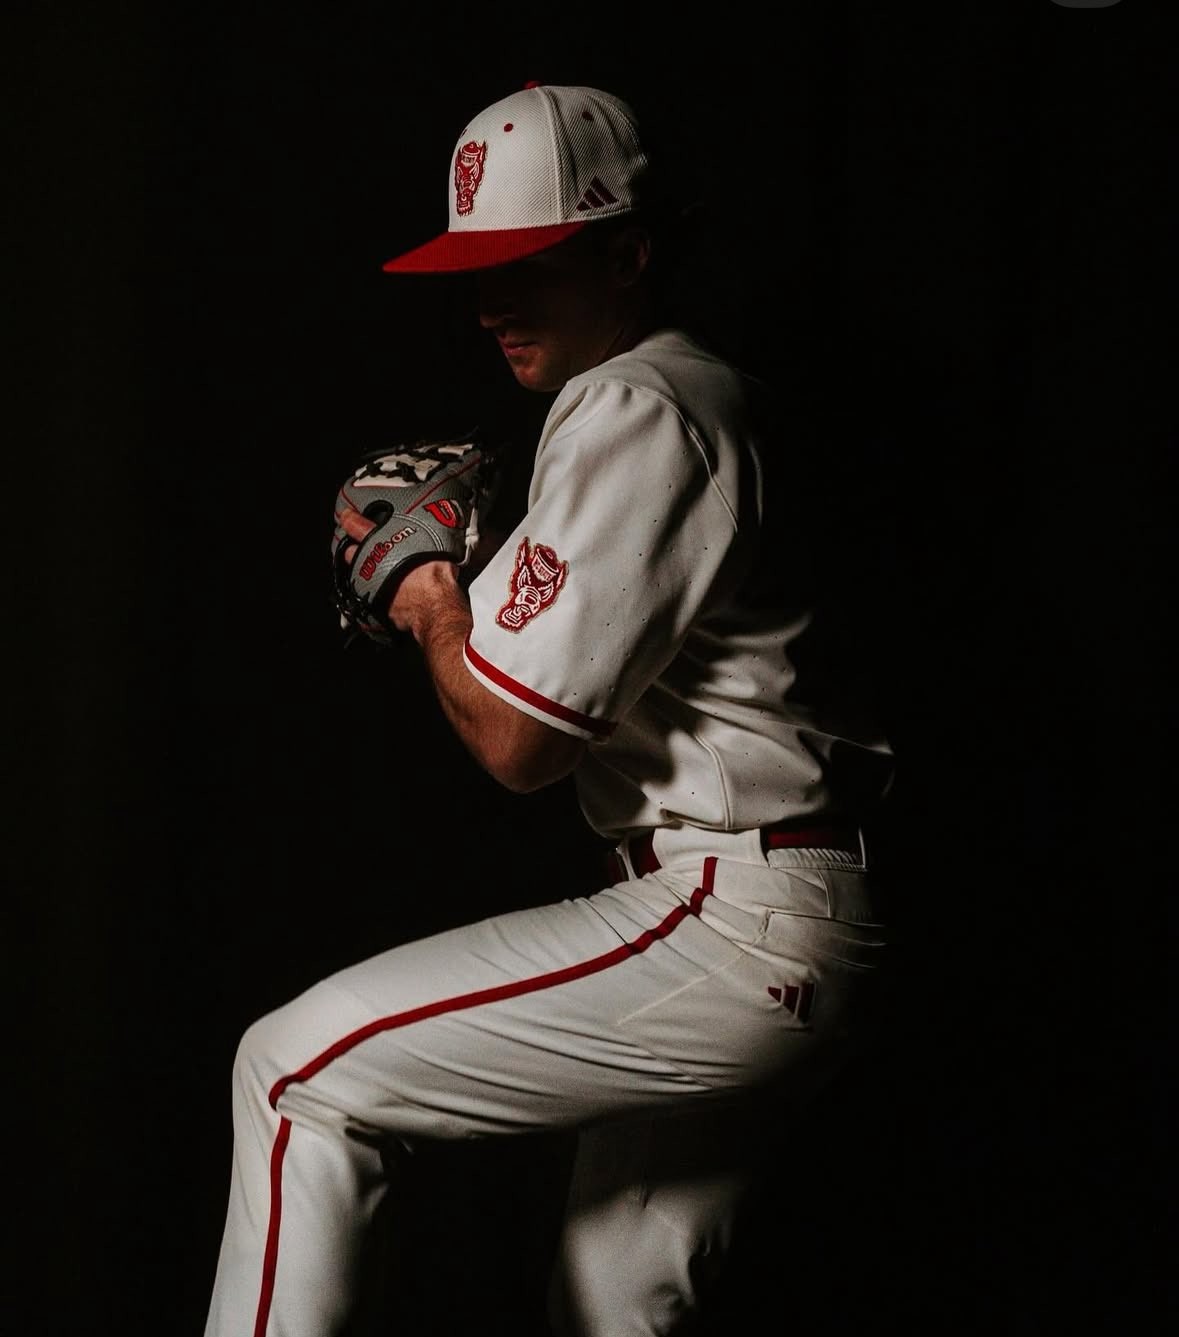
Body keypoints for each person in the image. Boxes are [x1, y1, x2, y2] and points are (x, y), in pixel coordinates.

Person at [204, 81, 898, 1336]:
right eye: (476, 269)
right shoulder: (706, 396)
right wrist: (459, 590)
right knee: (614, 1310)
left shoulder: (639, 400)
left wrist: (429, 595)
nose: (490, 302)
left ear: (629, 252)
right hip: (794, 905)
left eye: (528, 261)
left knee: (295, 1068)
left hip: (731, 916)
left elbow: (517, 742)